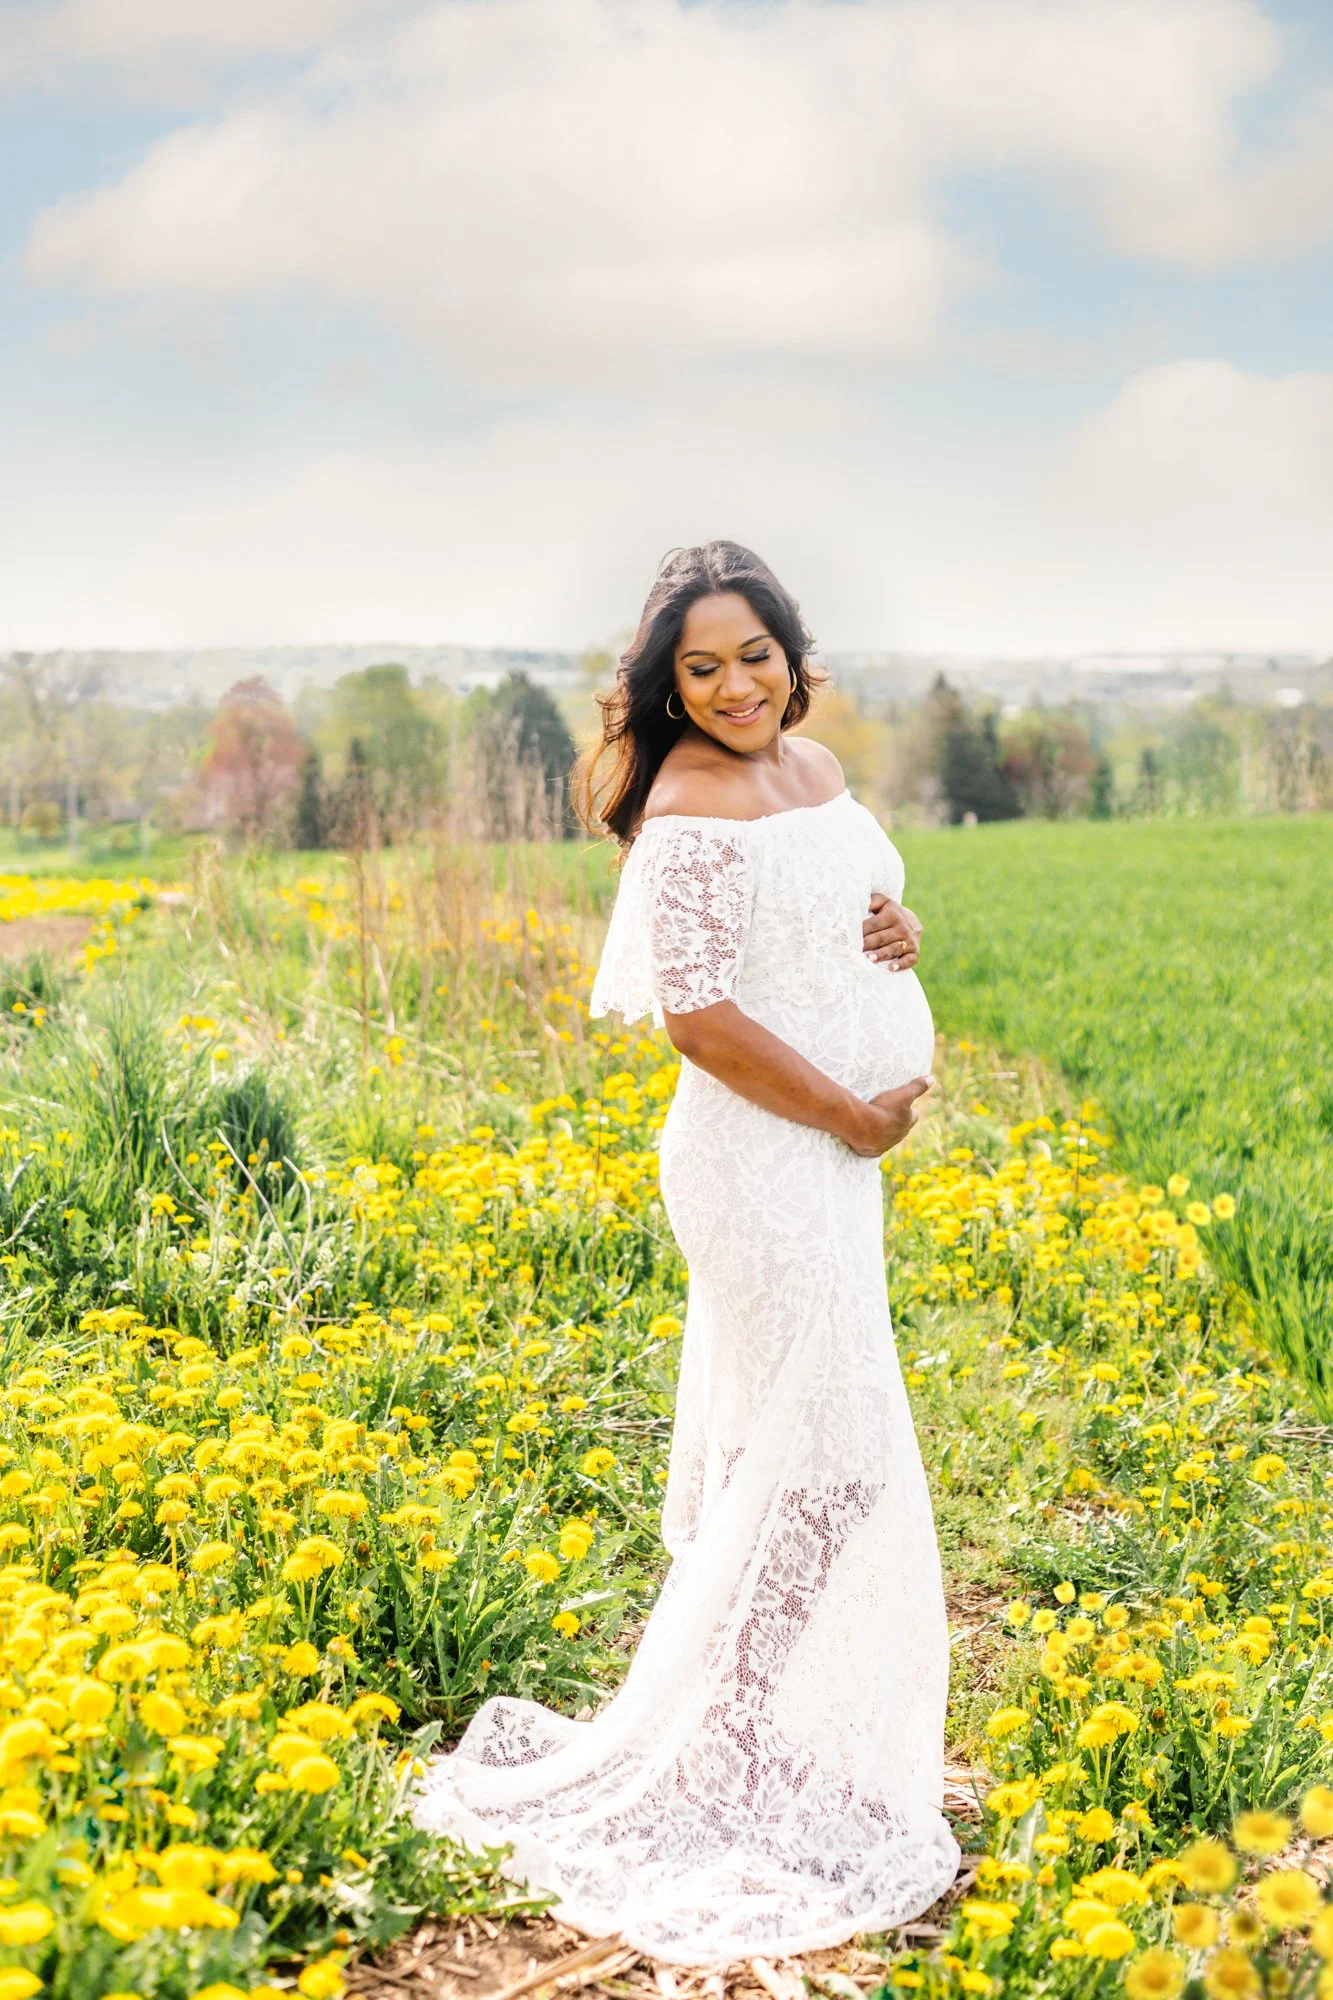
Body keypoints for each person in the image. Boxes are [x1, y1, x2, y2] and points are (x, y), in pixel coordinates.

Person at [413, 542, 961, 1964]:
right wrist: (851, 1113)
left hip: (836, 1167)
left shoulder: (820, 772)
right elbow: (701, 1017)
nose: (733, 688)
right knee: (823, 1448)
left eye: (754, 656)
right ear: (664, 685)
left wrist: (895, 933)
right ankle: (716, 1734)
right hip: (769, 1164)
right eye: (700, 668)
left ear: (793, 650)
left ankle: (733, 1714)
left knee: (800, 1444)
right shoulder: (689, 803)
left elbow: (830, 922)